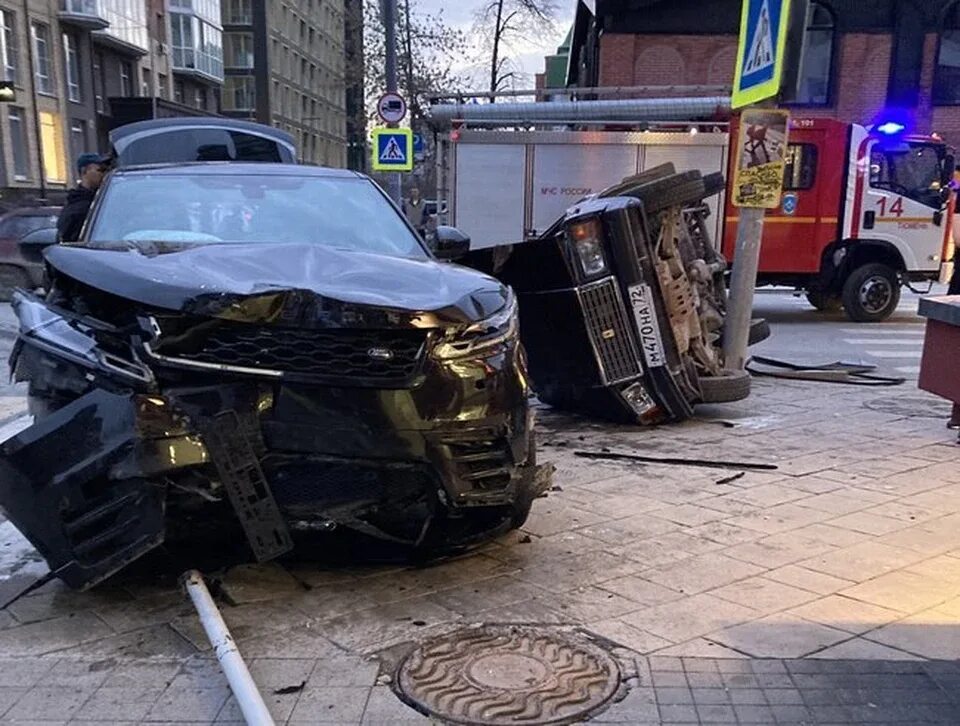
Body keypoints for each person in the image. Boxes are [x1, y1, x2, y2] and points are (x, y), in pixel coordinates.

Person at [57, 152, 108, 242]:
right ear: (84, 171)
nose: (104, 174)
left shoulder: (105, 197)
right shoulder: (75, 204)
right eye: (100, 170)